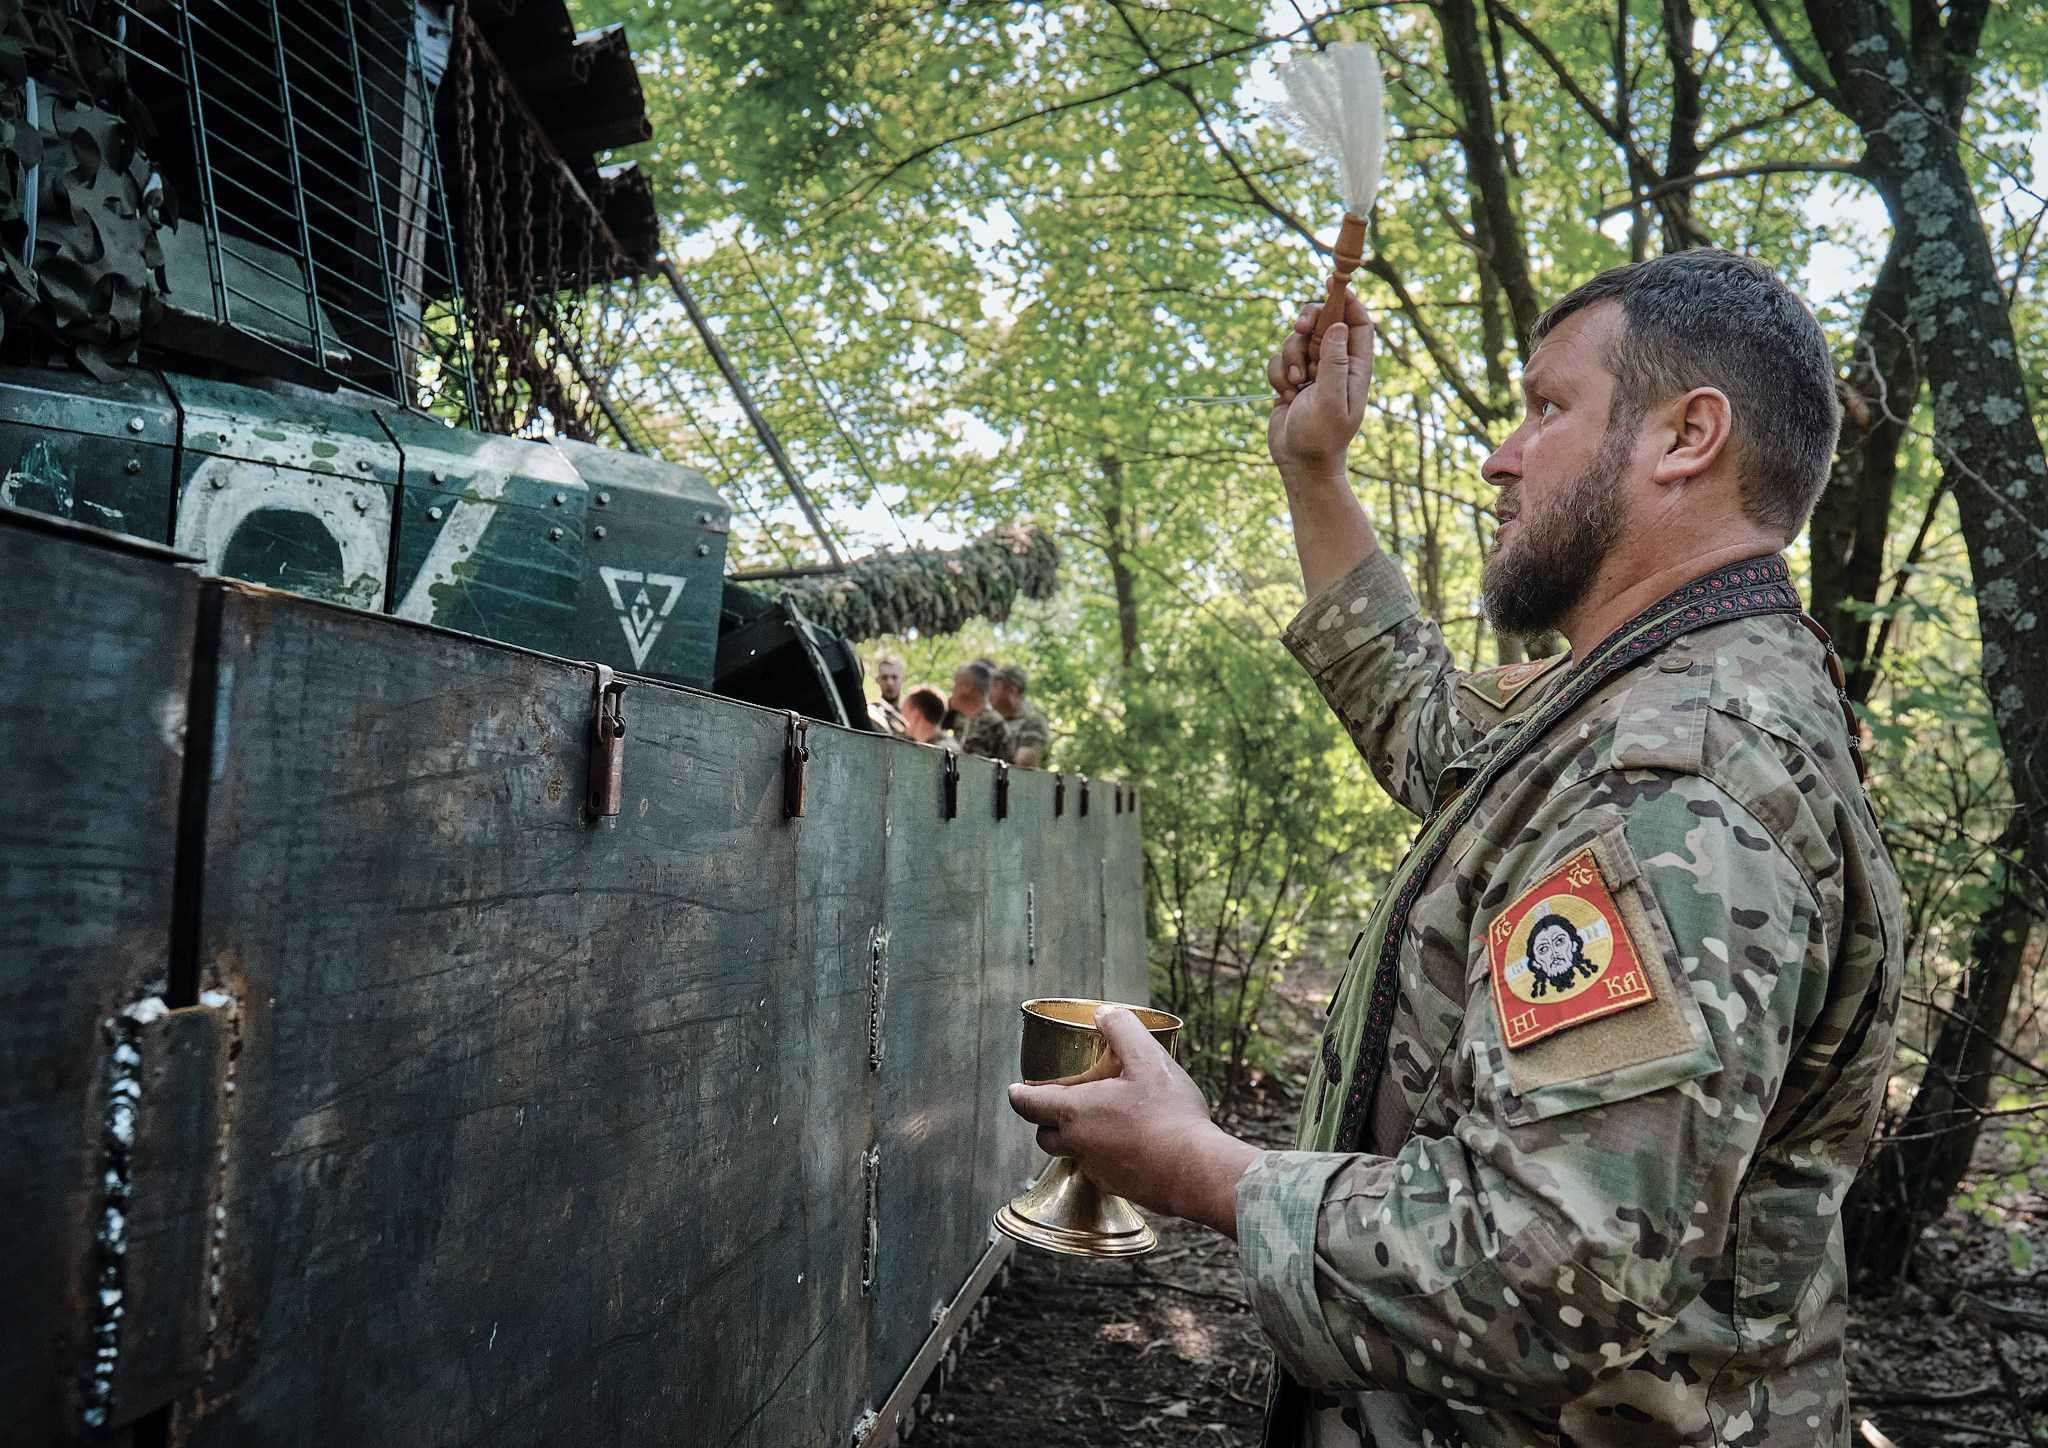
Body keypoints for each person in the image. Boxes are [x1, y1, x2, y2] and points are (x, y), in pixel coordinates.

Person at [1008, 250, 1902, 1447]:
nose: (1499, 455)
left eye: (1546, 407)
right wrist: (1310, 466)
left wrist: (1202, 1169)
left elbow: (1535, 1269)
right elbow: (1425, 721)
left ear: (1684, 436)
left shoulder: (1674, 777)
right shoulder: (1643, 688)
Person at [946, 660, 1011, 761]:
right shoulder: (958, 716)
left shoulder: (993, 724)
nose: (952, 689)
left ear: (967, 687)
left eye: (955, 683)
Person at [990, 664, 1050, 769]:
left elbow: (1024, 764)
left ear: (1012, 691)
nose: (989, 692)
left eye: (995, 686)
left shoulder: (1033, 720)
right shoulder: (993, 719)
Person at [900, 686, 956, 751]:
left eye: (904, 712)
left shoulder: (940, 751)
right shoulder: (940, 747)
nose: (901, 717)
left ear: (916, 714)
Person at [870, 653, 908, 735]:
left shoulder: (912, 713)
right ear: (877, 680)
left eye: (894, 677)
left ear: (902, 680)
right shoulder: (872, 712)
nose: (890, 683)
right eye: (884, 677)